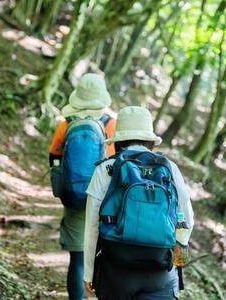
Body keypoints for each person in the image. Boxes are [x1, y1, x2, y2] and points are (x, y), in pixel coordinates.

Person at [83, 106, 194, 300]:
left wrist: (88, 273)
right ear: (150, 140)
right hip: (160, 272)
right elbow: (186, 221)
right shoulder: (170, 168)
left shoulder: (106, 169)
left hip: (115, 272)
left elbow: (92, 226)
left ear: (119, 140)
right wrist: (177, 263)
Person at [48, 73, 116, 300]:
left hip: (76, 196)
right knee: (105, 258)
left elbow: (54, 157)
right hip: (105, 198)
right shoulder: (111, 124)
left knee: (77, 260)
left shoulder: (67, 123)